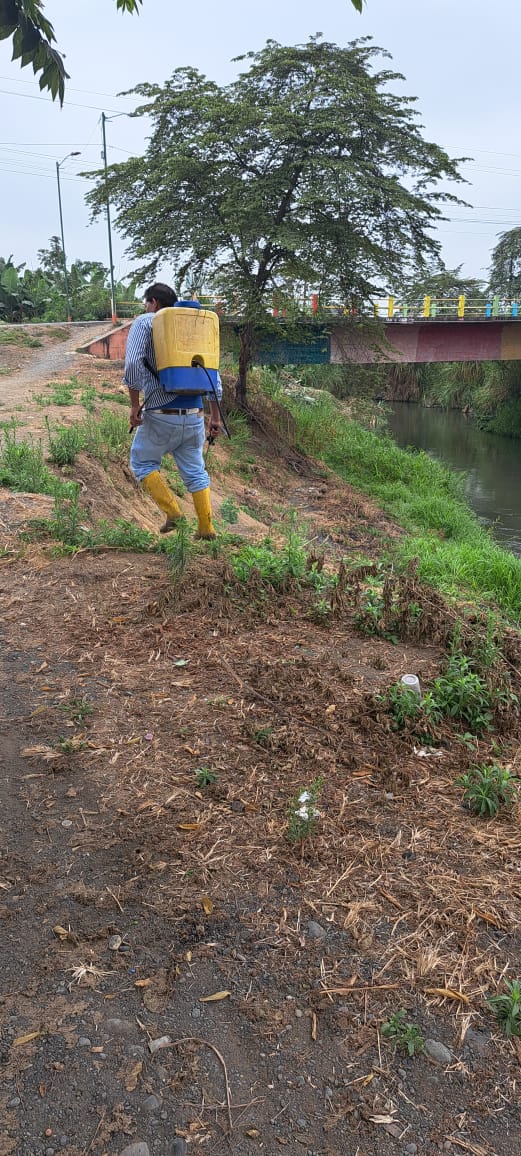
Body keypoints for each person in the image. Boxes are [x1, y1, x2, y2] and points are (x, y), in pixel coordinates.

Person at [124, 282, 223, 539]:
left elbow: (133, 363)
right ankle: (206, 529)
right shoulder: (194, 325)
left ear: (154, 303)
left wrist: (134, 405)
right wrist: (215, 416)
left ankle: (174, 513)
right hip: (195, 416)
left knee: (142, 462)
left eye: (147, 303)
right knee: (196, 471)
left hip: (161, 415)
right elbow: (213, 373)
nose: (146, 308)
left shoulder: (146, 322)